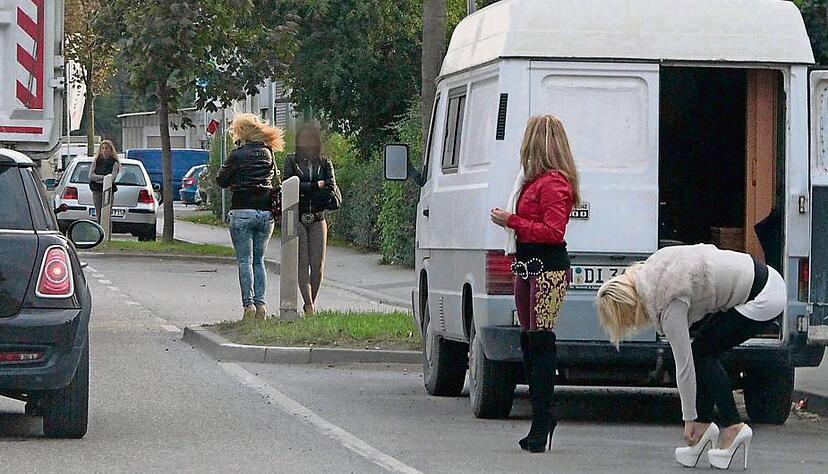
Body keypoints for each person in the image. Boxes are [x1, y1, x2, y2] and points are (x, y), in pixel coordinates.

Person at [595, 244, 786, 469]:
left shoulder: (668, 304)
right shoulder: (652, 270)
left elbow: (684, 368)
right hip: (764, 279)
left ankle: (734, 426)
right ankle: (705, 425)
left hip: (764, 296)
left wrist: (688, 419)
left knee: (704, 355)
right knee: (702, 350)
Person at [490, 114, 580, 453]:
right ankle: (541, 416)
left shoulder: (553, 183)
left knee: (541, 345)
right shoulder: (533, 180)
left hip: (547, 269)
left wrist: (511, 220)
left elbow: (554, 232)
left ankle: (543, 418)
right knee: (530, 343)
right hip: (529, 267)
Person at [217, 113, 283, 321]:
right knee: (259, 261)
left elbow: (221, 180)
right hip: (265, 212)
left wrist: (236, 182)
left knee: (244, 261)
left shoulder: (237, 154)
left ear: (241, 132)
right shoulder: (268, 152)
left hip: (242, 209)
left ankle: (248, 307)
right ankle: (261, 305)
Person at [282, 123, 340, 315]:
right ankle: (308, 305)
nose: (306, 142)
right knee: (302, 261)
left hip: (318, 216)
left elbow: (330, 187)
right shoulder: (291, 161)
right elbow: (289, 186)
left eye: (310, 138)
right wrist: (316, 186)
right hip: (298, 216)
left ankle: (311, 302)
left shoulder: (324, 162)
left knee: (317, 263)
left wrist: (307, 189)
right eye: (303, 138)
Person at [88, 140, 120, 224]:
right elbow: (91, 176)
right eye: (103, 148)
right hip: (97, 190)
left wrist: (104, 179)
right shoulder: (96, 161)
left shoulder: (114, 163)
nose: (104, 150)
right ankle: (100, 232)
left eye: (106, 148)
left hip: (108, 190)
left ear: (111, 150)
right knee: (99, 213)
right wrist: (103, 177)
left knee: (106, 214)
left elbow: (111, 179)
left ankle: (107, 233)